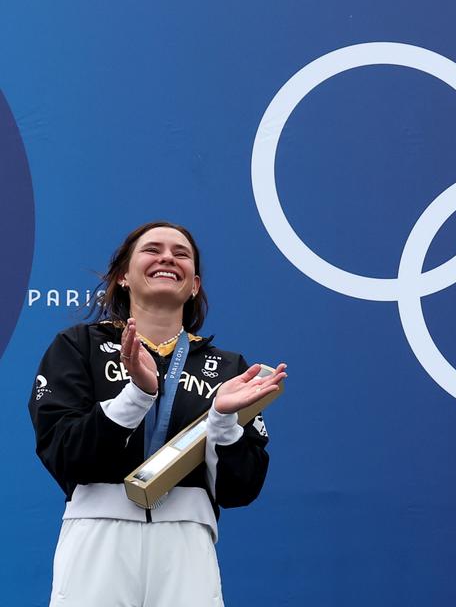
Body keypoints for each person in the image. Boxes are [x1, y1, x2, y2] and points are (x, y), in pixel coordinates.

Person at [28, 221, 287, 606]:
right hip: (99, 538)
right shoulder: (77, 347)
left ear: (194, 285)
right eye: (152, 250)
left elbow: (241, 489)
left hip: (186, 541)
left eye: (181, 253)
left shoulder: (230, 369)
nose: (167, 257)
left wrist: (224, 422)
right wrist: (137, 395)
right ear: (123, 277)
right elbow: (64, 454)